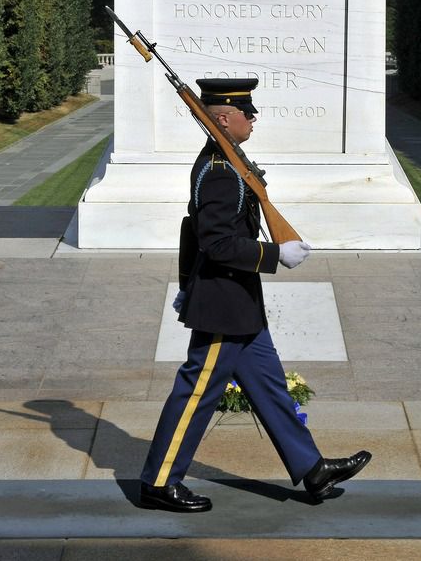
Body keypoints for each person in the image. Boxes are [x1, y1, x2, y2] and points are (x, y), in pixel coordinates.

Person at [139, 78, 371, 513]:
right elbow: (215, 242)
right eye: (248, 112)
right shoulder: (222, 173)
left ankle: (312, 469)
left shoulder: (228, 162)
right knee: (196, 394)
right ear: (224, 119)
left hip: (239, 302)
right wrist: (274, 252)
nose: (254, 117)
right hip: (224, 305)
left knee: (269, 388)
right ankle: (158, 481)